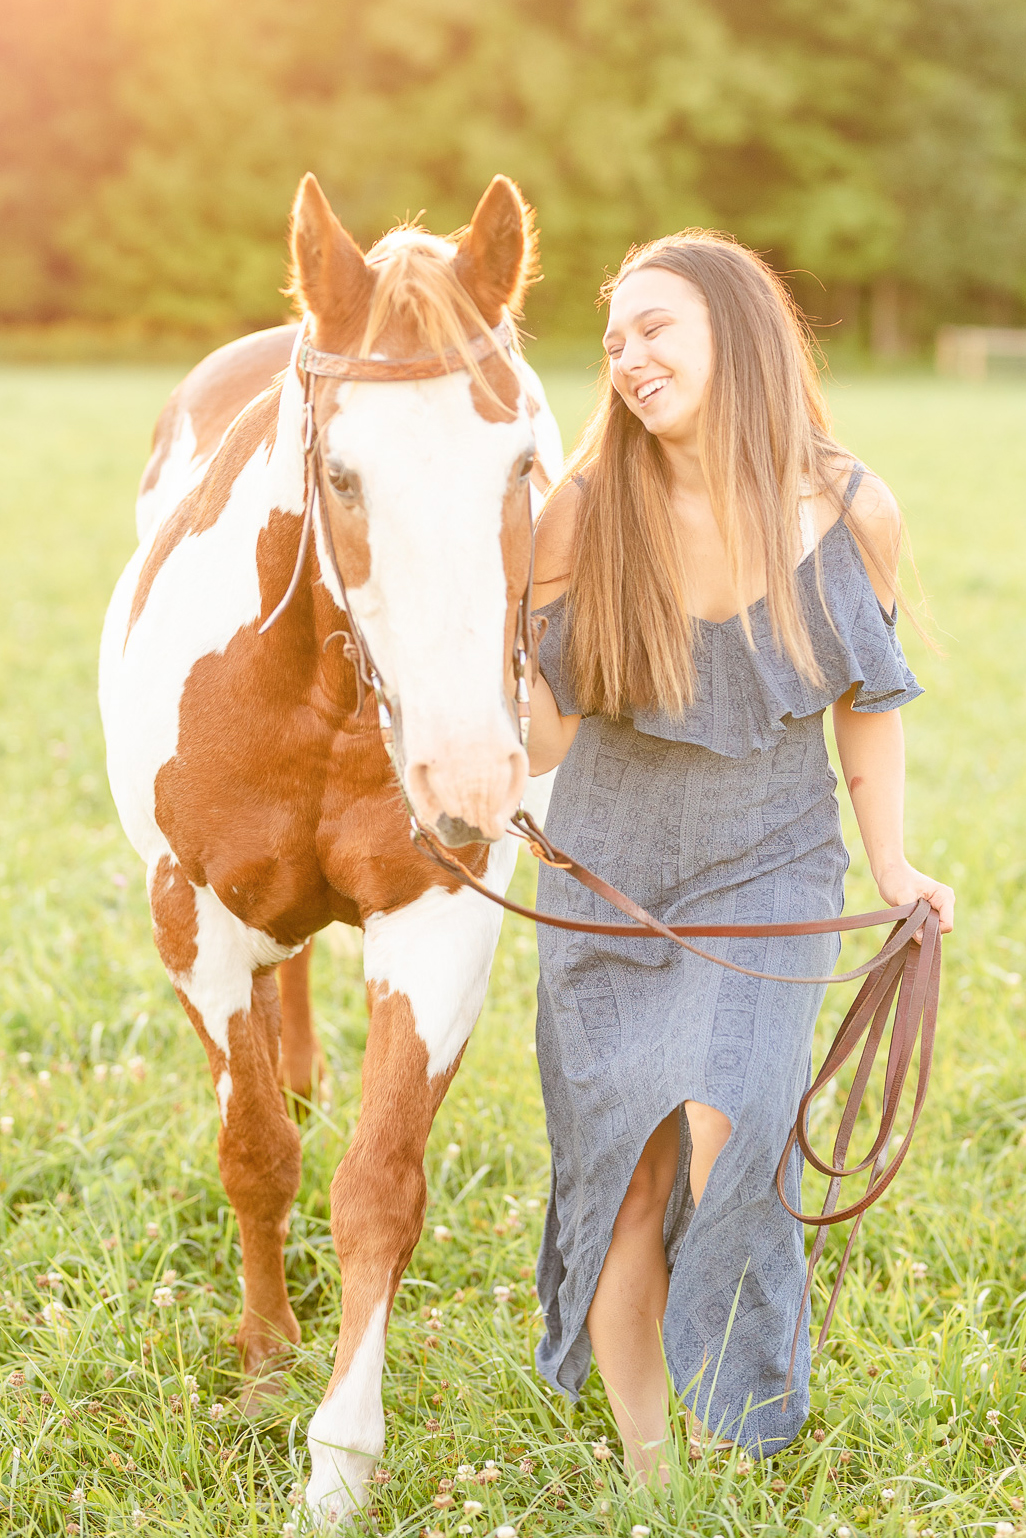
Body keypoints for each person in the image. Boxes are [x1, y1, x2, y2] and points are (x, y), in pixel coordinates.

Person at [525, 231, 955, 1475]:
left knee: (736, 1122)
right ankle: (657, 1473)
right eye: (613, 339)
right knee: (620, 1175)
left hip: (768, 857)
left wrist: (892, 864)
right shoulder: (586, 506)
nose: (627, 354)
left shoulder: (852, 507)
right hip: (606, 867)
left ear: (737, 327)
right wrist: (510, 631)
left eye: (655, 325)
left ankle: (747, 1419)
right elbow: (543, 730)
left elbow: (865, 705)